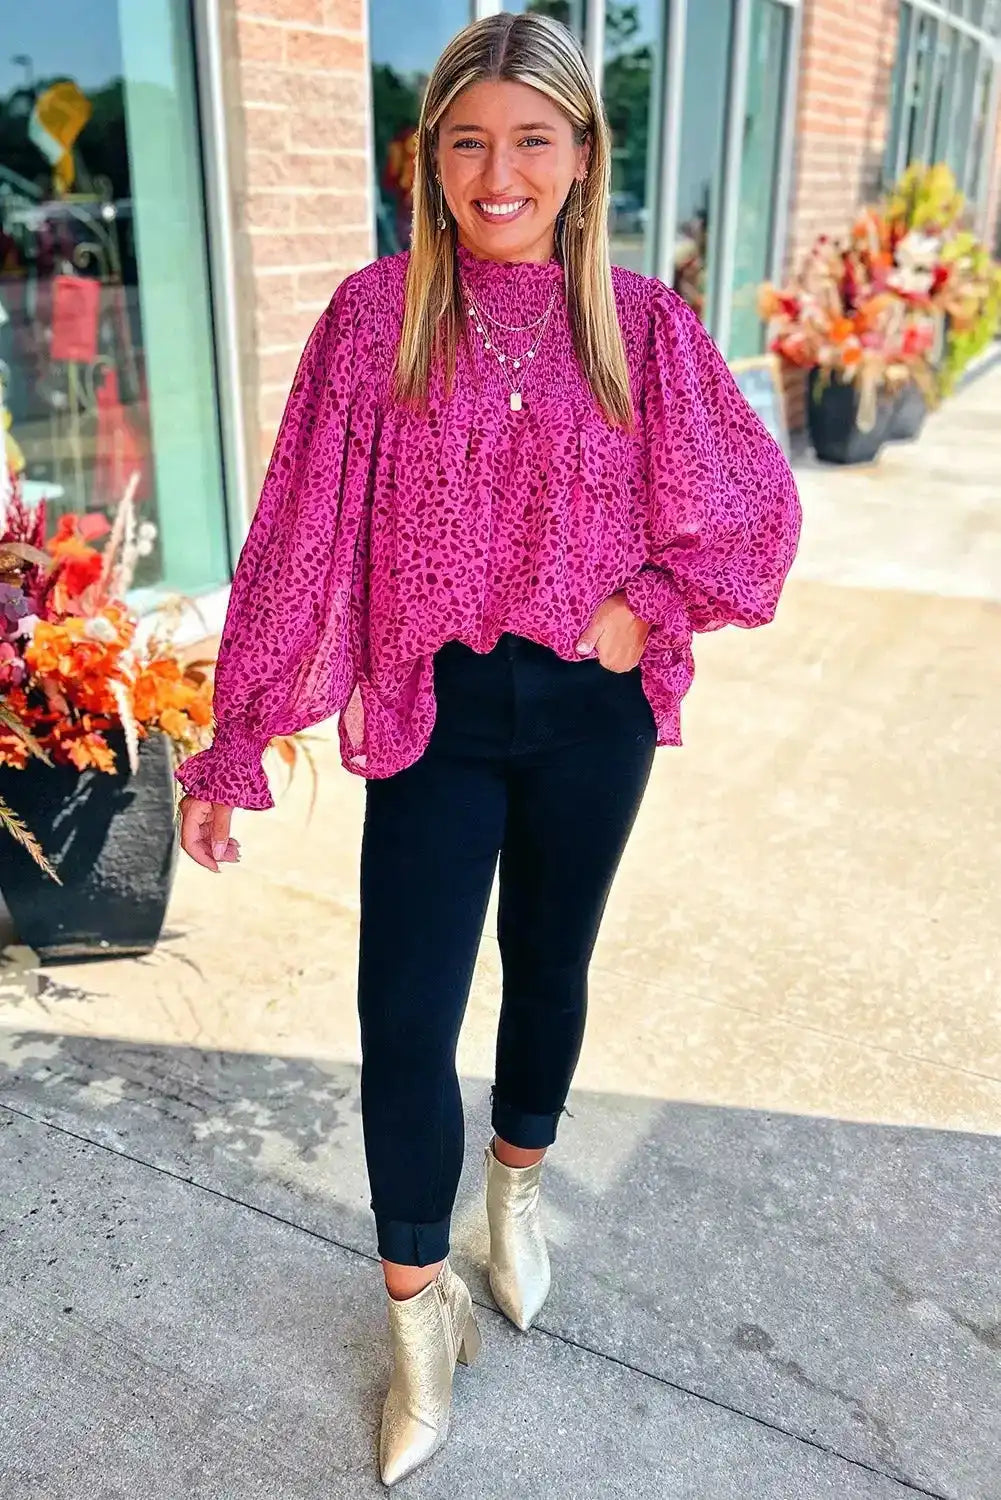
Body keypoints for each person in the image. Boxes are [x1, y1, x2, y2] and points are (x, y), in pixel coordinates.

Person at [176, 11, 801, 1488]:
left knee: (551, 965)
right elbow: (299, 534)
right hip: (433, 715)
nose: (496, 170)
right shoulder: (374, 313)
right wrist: (235, 734)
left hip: (590, 717)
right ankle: (415, 1325)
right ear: (429, 161)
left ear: (581, 159)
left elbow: (756, 508)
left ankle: (512, 1196)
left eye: (530, 139)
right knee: (402, 1015)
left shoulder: (641, 324)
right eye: (466, 140)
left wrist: (649, 607)